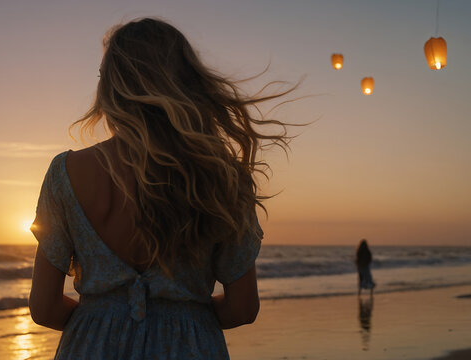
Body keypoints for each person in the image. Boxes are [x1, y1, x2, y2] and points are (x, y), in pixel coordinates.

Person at [28, 18, 296, 359]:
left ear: (112, 88)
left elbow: (44, 308)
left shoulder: (65, 173)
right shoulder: (221, 177)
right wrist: (187, 317)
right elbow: (243, 308)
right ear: (187, 84)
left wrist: (99, 321)